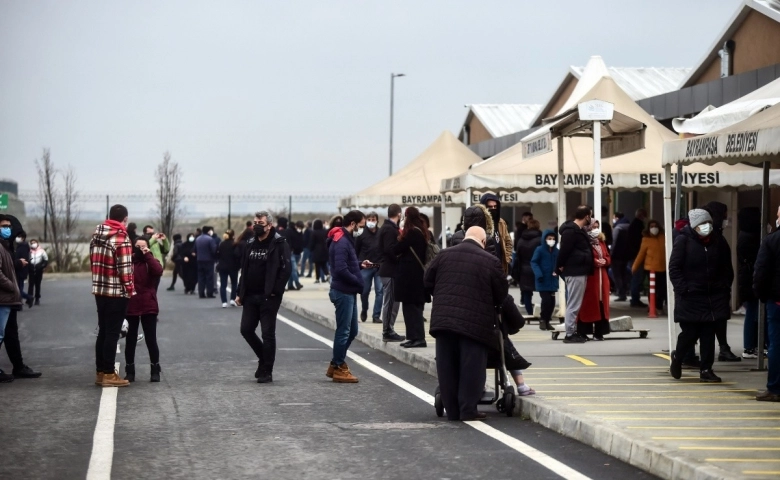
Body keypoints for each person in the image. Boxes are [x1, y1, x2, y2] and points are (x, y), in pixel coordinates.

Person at [424, 226, 507, 421]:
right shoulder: (490, 260)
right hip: (475, 323)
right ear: (483, 242)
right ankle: (467, 410)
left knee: (447, 366)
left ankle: (452, 411)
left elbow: (427, 280)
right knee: (472, 367)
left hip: (444, 321)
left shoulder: (443, 255)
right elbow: (501, 292)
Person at [669, 209, 733, 383]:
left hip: (713, 296)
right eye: (702, 225)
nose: (706, 228)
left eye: (708, 224)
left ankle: (706, 369)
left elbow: (727, 267)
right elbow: (674, 268)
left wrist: (725, 287)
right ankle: (678, 358)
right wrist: (684, 289)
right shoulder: (683, 240)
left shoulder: (718, 241)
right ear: (694, 226)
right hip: (691, 296)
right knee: (690, 333)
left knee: (708, 333)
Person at [235, 211, 291, 384]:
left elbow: (286, 269)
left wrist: (275, 290)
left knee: (267, 333)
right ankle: (263, 358)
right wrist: (239, 292)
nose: (257, 225)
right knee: (246, 329)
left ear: (270, 225)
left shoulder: (279, 243)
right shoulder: (250, 243)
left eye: (260, 222)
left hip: (269, 296)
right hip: (250, 295)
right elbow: (244, 269)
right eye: (255, 222)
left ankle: (267, 370)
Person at [89, 204, 133, 387]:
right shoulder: (121, 237)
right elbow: (125, 269)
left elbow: (92, 261)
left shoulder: (96, 237)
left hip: (100, 289)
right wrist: (130, 289)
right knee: (113, 333)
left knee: (103, 331)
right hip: (116, 292)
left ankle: (100, 371)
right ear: (125, 219)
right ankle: (109, 373)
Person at [324, 210, 367, 383]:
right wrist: (357, 280)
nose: (362, 229)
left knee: (352, 330)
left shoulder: (346, 239)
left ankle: (335, 363)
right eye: (361, 226)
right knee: (344, 331)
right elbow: (340, 269)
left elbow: (345, 263)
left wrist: (359, 265)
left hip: (348, 290)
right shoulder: (342, 241)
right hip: (343, 291)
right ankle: (339, 366)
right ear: (353, 224)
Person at [703, 201, 741, 362]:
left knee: (718, 319)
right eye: (725, 216)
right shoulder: (713, 237)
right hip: (715, 286)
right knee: (714, 320)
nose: (727, 219)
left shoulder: (716, 234)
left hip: (719, 285)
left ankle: (723, 347)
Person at [124, 235, 163, 382]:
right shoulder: (129, 262)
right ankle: (130, 370)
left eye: (143, 246)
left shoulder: (150, 261)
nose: (140, 249)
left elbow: (158, 271)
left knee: (151, 339)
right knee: (131, 339)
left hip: (148, 305)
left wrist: (147, 254)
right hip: (132, 304)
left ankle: (155, 369)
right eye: (138, 247)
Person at [752, 210, 780, 402]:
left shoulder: (771, 240)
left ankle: (775, 388)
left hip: (777, 301)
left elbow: (761, 271)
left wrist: (762, 295)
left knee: (776, 345)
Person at [393, 207, 430, 349]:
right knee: (413, 308)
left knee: (411, 309)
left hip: (411, 278)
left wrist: (400, 234)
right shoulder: (421, 231)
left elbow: (397, 249)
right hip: (416, 277)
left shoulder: (412, 232)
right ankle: (413, 337)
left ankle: (418, 338)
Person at [556, 206, 593, 343]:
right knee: (573, 303)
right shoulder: (572, 231)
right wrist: (558, 267)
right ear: (586, 217)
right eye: (591, 215)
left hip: (577, 270)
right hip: (575, 271)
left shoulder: (576, 230)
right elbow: (564, 251)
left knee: (574, 302)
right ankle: (570, 333)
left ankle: (572, 331)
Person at [577, 220, 611, 340]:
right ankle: (584, 331)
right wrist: (595, 262)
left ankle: (599, 332)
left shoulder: (601, 242)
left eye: (597, 227)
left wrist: (605, 261)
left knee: (601, 304)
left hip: (603, 277)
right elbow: (583, 257)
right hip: (591, 277)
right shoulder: (584, 242)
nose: (596, 229)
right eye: (593, 227)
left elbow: (607, 256)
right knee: (589, 304)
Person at [738, 207, 764, 359]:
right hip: (751, 279)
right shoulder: (751, 236)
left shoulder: (744, 234)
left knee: (752, 311)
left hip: (747, 278)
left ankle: (751, 345)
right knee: (753, 312)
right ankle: (749, 346)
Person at [377, 205, 405, 342]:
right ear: (399, 214)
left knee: (393, 302)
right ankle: (387, 330)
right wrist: (398, 258)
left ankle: (389, 329)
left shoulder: (387, 227)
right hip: (390, 270)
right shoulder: (389, 229)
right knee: (390, 302)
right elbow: (389, 249)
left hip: (388, 270)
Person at [631, 219, 667, 313]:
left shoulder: (664, 238)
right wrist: (635, 267)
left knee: (662, 290)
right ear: (648, 228)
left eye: (655, 226)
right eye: (651, 226)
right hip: (651, 269)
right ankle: (653, 307)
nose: (654, 228)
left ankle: (659, 306)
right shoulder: (646, 239)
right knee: (652, 289)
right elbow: (641, 254)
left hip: (663, 268)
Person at [355, 211, 383, 323]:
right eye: (369, 219)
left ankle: (376, 315)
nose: (371, 222)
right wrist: (357, 264)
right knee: (365, 291)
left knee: (380, 291)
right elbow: (356, 250)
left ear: (377, 221)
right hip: (365, 267)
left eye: (373, 219)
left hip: (379, 267)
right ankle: (364, 309)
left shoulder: (381, 233)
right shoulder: (361, 234)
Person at [531, 229, 559, 331]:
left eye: (553, 239)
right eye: (549, 238)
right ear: (545, 239)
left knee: (552, 302)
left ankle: (547, 321)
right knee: (546, 300)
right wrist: (539, 274)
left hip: (553, 280)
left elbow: (559, 264)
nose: (551, 240)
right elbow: (534, 262)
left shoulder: (556, 251)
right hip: (542, 280)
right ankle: (543, 319)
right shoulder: (540, 250)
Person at [512, 218, 542, 316]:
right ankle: (544, 313)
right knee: (544, 292)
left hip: (524, 268)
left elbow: (518, 255)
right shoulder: (540, 239)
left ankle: (529, 313)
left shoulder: (521, 240)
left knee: (526, 293)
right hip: (538, 268)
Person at [480, 194, 513, 274]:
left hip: (499, 266)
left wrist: (507, 258)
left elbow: (508, 242)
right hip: (484, 266)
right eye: (490, 207)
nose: (493, 209)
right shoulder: (479, 222)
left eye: (495, 206)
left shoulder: (501, 222)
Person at [277, 218, 303, 291]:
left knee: (291, 269)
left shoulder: (296, 232)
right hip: (289, 253)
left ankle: (290, 285)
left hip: (293, 252)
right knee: (293, 269)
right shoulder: (287, 232)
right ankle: (296, 283)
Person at [628, 208, 647, 307]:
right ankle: (635, 299)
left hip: (633, 255)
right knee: (637, 278)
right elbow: (637, 242)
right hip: (636, 256)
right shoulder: (638, 226)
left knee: (636, 278)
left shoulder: (633, 224)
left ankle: (635, 298)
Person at [610, 212, 631, 301]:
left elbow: (614, 242)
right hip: (626, 255)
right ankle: (625, 290)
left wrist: (610, 254)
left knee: (617, 275)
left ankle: (621, 293)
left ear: (617, 218)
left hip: (617, 255)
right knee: (624, 273)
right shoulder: (630, 227)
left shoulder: (617, 228)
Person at [217, 229, 239, 308]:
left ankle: (224, 302)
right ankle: (232, 299)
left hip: (222, 266)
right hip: (233, 267)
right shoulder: (235, 244)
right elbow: (237, 255)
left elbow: (218, 255)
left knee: (223, 284)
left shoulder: (221, 244)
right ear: (233, 235)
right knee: (234, 283)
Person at [195, 225, 217, 298]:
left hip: (199, 260)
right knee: (209, 277)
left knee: (201, 277)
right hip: (209, 260)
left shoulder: (197, 239)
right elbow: (214, 250)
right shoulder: (210, 239)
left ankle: (201, 293)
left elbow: (194, 249)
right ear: (208, 231)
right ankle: (209, 293)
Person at [25, 238, 48, 308]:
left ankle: (37, 298)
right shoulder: (29, 251)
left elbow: (46, 259)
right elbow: (27, 259)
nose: (33, 244)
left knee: (37, 285)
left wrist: (42, 266)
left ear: (37, 243)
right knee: (30, 285)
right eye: (32, 243)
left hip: (38, 270)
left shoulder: (41, 251)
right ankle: (29, 298)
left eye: (34, 242)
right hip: (31, 269)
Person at [13, 230, 30, 306]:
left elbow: (23, 259)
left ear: (23, 238)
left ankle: (28, 298)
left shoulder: (23, 246)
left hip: (21, 270)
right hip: (19, 270)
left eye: (19, 237)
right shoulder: (19, 246)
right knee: (19, 288)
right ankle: (21, 301)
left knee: (19, 289)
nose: (17, 238)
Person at [309, 219, 329, 283]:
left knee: (317, 265)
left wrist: (311, 249)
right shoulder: (325, 231)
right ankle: (327, 274)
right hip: (324, 249)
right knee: (324, 264)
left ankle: (317, 278)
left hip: (316, 250)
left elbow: (312, 242)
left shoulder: (314, 232)